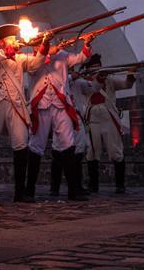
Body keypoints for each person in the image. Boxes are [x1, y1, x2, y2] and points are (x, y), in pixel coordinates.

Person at [0, 23, 46, 203]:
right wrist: (5, 52)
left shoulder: (21, 58)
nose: (14, 41)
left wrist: (44, 46)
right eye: (10, 39)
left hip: (15, 103)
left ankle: (20, 192)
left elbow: (35, 65)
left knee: (21, 144)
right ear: (1, 43)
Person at [26, 36, 93, 201]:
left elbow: (81, 57)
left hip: (61, 104)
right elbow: (35, 67)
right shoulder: (30, 59)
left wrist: (87, 44)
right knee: (36, 145)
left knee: (68, 144)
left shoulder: (62, 54)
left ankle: (73, 190)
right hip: (41, 104)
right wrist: (47, 51)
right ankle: (29, 191)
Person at [83, 54, 136, 194]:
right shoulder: (84, 82)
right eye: (93, 67)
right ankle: (93, 185)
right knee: (92, 152)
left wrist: (131, 73)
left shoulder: (110, 80)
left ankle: (120, 184)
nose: (96, 70)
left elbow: (127, 84)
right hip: (92, 118)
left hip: (109, 118)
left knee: (116, 151)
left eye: (97, 67)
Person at [52, 69, 95, 196]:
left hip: (77, 117)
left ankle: (77, 186)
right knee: (58, 151)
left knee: (79, 151)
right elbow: (57, 82)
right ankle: (54, 187)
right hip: (60, 116)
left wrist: (99, 78)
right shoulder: (57, 78)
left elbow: (93, 89)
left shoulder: (78, 82)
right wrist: (70, 77)